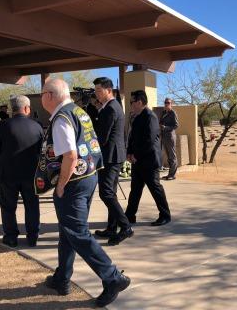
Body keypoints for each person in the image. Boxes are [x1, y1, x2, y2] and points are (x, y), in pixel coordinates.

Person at [34, 78, 130, 307]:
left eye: (41, 94)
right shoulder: (79, 112)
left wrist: (60, 185)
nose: (40, 99)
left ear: (49, 95)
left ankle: (112, 277)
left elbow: (70, 156)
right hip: (88, 177)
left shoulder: (61, 118)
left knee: (77, 232)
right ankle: (62, 278)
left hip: (73, 183)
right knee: (68, 230)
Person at [0, 95, 43, 248]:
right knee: (32, 205)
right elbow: (41, 150)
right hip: (31, 174)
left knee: (8, 206)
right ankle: (33, 236)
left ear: (12, 109)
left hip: (8, 173)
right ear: (27, 109)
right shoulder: (37, 126)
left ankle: (11, 236)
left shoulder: (2, 126)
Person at [93, 77, 133, 246]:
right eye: (95, 91)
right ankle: (111, 227)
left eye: (99, 91)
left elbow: (102, 136)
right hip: (113, 155)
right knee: (111, 193)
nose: (96, 94)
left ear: (108, 90)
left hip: (110, 156)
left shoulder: (110, 108)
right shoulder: (111, 106)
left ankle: (125, 227)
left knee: (106, 193)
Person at [125, 90, 171, 226]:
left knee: (155, 188)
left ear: (139, 102)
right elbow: (132, 137)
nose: (130, 105)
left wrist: (135, 155)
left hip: (149, 161)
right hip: (138, 160)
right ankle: (129, 216)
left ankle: (165, 215)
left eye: (131, 102)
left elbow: (149, 141)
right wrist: (129, 152)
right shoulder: (137, 116)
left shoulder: (150, 117)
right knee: (135, 189)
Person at [159, 97, 179, 180]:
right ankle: (169, 174)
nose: (166, 104)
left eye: (168, 103)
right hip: (164, 136)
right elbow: (161, 121)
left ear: (171, 104)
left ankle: (172, 175)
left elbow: (176, 125)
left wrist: (166, 127)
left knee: (172, 156)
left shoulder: (173, 113)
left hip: (170, 136)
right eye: (165, 102)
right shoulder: (163, 112)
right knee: (168, 156)